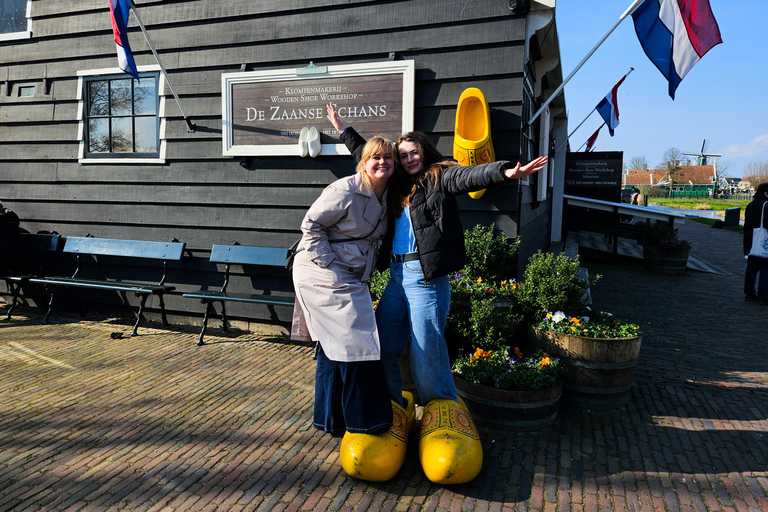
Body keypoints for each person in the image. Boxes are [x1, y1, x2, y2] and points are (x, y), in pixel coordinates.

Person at [327, 102, 547, 484]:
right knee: (382, 339)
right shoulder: (397, 185)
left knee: (426, 342)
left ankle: (441, 409)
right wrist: (343, 129)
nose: (407, 158)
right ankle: (393, 403)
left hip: (425, 276)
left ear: (424, 153)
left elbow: (470, 176)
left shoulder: (437, 177)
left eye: (413, 152)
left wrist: (507, 171)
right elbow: (368, 155)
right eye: (402, 154)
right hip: (396, 275)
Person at [290, 136, 415, 481]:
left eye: (388, 158)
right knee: (359, 340)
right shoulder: (345, 189)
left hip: (352, 275)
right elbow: (311, 226)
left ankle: (331, 419)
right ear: (364, 162)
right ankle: (369, 420)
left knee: (335, 345)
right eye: (376, 158)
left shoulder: (387, 193)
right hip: (321, 270)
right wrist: (331, 264)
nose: (383, 163)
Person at [743, 182, 768, 303]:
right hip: (764, 241)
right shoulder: (766, 205)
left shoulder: (750, 205)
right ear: (766, 193)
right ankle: (763, 295)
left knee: (752, 267)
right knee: (766, 267)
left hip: (751, 239)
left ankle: (749, 293)